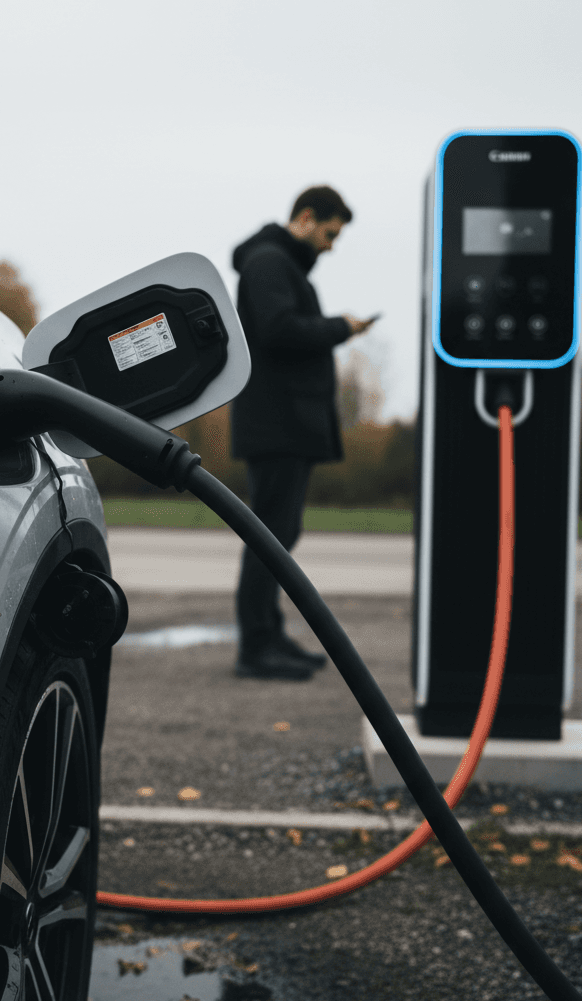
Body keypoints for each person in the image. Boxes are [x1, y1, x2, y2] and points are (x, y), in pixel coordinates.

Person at [231, 185, 375, 680]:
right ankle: (255, 647)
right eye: (330, 234)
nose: (331, 246)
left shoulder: (276, 263)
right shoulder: (270, 261)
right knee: (269, 537)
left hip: (284, 423)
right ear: (308, 217)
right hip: (278, 424)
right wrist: (341, 327)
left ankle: (269, 635)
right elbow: (280, 331)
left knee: (277, 534)